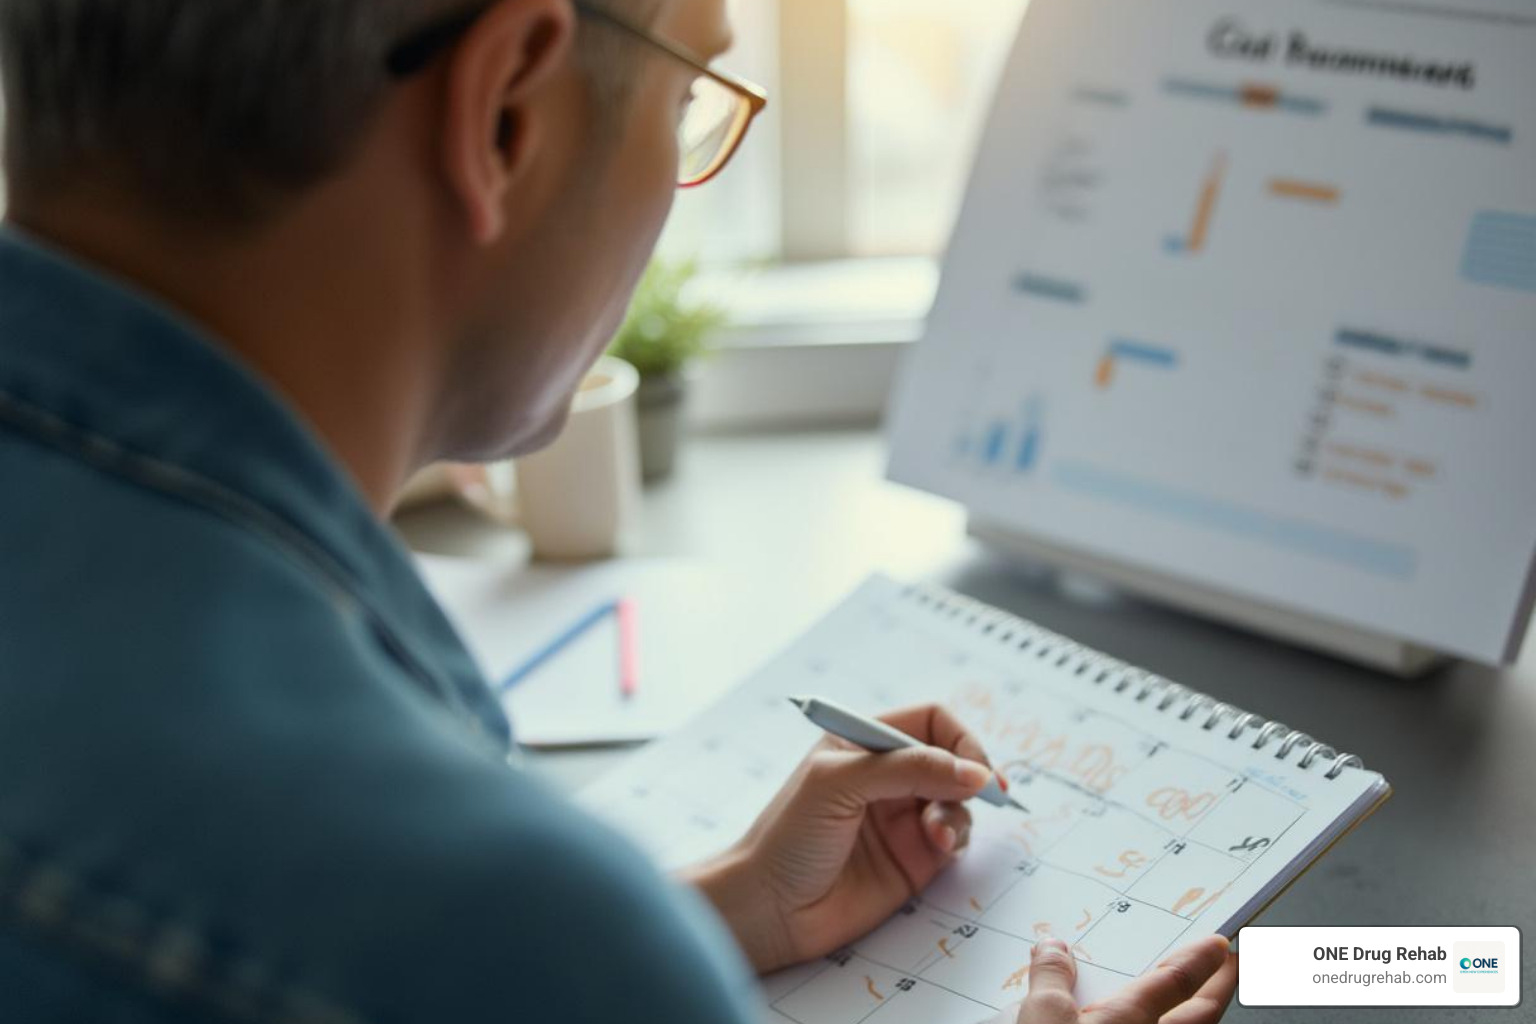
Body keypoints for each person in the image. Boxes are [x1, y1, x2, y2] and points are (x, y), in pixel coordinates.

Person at [0, 1, 1238, 1021]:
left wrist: (722, 916)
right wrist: (614, 960)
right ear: (505, 112)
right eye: (688, 97)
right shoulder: (498, 920)